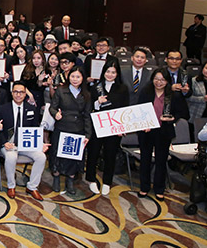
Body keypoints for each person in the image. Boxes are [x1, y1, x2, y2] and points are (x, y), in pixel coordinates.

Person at [137, 68, 189, 200]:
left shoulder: (173, 95)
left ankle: (159, 188)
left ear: (167, 81)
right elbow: (139, 110)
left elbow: (182, 113)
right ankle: (144, 187)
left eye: (162, 80)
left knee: (161, 161)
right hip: (147, 131)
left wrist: (172, 118)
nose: (159, 82)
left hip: (164, 131)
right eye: (156, 79)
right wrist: (144, 124)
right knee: (145, 160)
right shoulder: (146, 92)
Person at [0, 81, 49, 201]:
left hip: (26, 144)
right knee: (11, 157)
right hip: (9, 144)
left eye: (21, 92)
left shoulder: (31, 109)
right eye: (16, 92)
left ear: (25, 94)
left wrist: (40, 144)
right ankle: (11, 186)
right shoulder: (3, 109)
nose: (18, 95)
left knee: (41, 157)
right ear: (12, 93)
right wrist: (4, 142)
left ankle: (32, 186)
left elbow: (35, 128)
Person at [48, 66, 92, 195]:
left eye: (78, 77)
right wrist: (56, 114)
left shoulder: (86, 94)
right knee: (57, 154)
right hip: (62, 127)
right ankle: (56, 177)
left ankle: (70, 180)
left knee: (73, 156)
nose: (75, 79)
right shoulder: (61, 90)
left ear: (82, 78)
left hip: (78, 128)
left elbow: (87, 116)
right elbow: (52, 107)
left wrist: (88, 134)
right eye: (72, 76)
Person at [86, 62, 128, 195]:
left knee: (110, 154)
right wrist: (98, 103)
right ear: (103, 72)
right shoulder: (95, 87)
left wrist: (122, 127)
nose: (110, 75)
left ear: (117, 74)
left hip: (113, 126)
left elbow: (124, 108)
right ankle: (91, 179)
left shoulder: (122, 88)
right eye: (108, 72)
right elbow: (90, 106)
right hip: (98, 124)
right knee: (93, 152)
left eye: (113, 72)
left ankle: (107, 182)